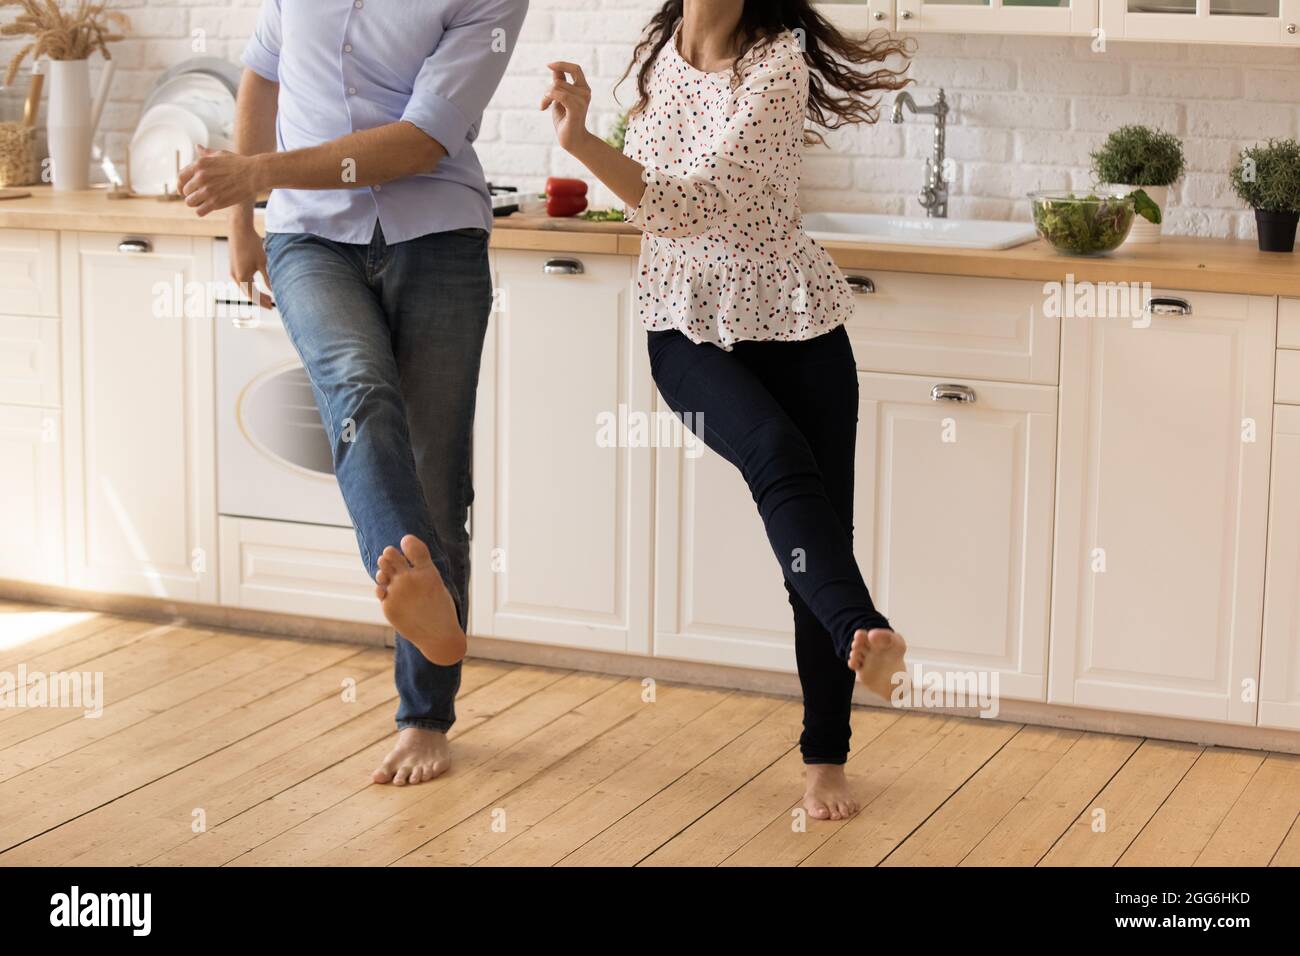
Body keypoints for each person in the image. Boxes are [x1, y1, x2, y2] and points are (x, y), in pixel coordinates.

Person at [542, 0, 912, 821]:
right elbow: (659, 209)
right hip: (687, 330)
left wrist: (584, 145)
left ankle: (827, 758)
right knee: (776, 452)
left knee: (817, 540)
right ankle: (866, 628)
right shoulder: (659, 56)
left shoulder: (776, 66)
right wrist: (586, 135)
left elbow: (695, 202)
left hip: (800, 323)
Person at [178, 0, 529, 786]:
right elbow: (262, 73)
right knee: (358, 391)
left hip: (437, 233)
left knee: (438, 484)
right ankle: (419, 604)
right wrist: (244, 221)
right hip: (309, 237)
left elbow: (419, 141)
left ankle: (425, 715)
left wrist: (256, 175)